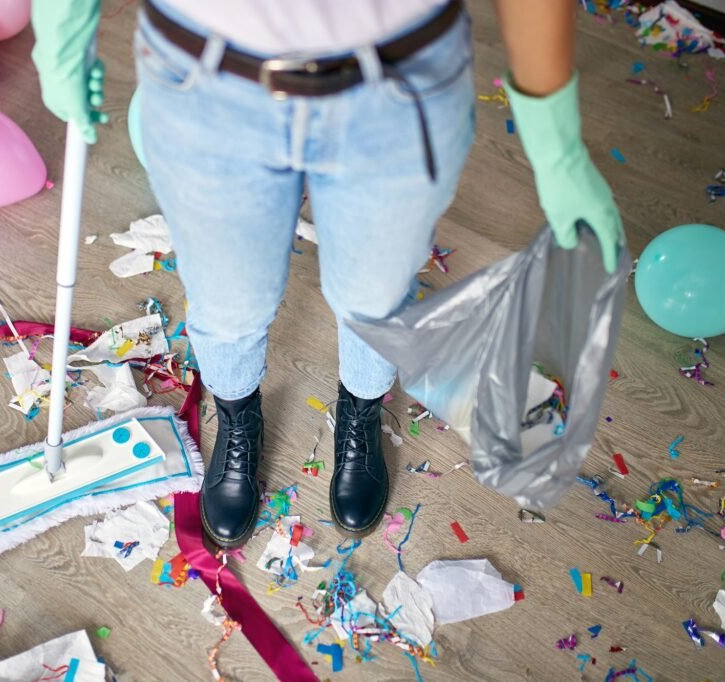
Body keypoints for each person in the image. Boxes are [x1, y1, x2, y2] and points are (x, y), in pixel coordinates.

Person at [32, 0, 624, 547]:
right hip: (204, 82)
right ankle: (238, 417)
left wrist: (556, 143)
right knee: (228, 302)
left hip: (401, 84)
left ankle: (359, 410)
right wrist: (61, 29)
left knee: (375, 301)